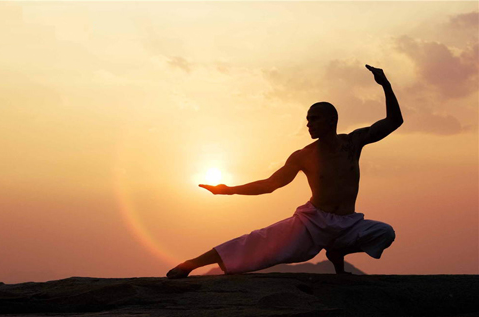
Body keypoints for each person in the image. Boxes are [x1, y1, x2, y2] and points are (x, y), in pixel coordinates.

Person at [167, 64, 403, 278]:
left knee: (385, 233)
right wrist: (227, 190)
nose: (308, 124)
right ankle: (190, 264)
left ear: (331, 121)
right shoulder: (304, 156)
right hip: (313, 222)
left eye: (314, 119)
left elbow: (394, 121)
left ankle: (337, 250)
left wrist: (386, 85)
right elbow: (270, 185)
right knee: (255, 241)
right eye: (307, 119)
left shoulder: (352, 143)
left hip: (348, 222)